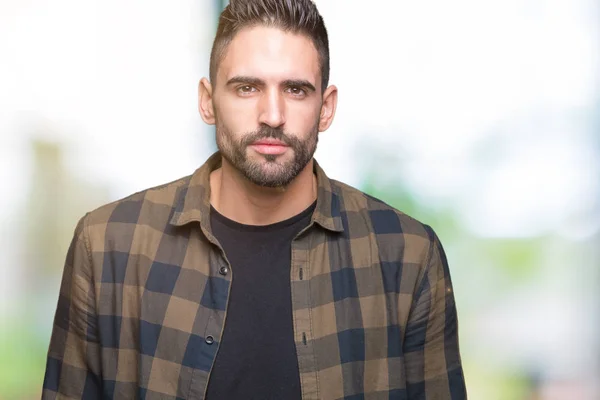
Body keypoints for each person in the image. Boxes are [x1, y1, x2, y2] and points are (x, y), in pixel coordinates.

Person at [42, 0, 467, 398]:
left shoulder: (407, 258)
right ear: (208, 102)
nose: (273, 115)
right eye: (247, 88)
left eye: (296, 90)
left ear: (326, 107)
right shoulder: (107, 248)